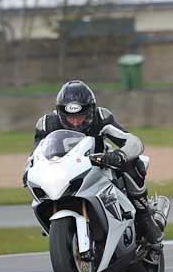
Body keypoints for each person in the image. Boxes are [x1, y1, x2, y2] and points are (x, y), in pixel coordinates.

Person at [23, 80, 164, 247]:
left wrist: (118, 155)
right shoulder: (47, 124)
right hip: (67, 171)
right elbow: (36, 154)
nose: (76, 122)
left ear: (90, 111)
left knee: (134, 162)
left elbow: (133, 142)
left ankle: (144, 215)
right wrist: (28, 170)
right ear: (61, 113)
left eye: (80, 116)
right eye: (70, 117)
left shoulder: (101, 117)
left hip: (100, 167)